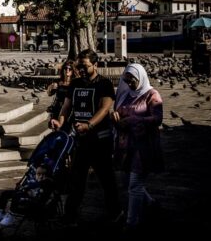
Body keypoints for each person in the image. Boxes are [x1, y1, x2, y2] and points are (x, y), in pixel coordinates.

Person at [51, 49, 121, 226]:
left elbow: (104, 109)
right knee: (76, 179)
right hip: (80, 140)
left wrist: (89, 125)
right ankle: (70, 215)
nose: (81, 69)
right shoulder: (74, 84)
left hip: (100, 140)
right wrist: (60, 122)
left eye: (85, 66)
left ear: (95, 65)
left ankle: (116, 211)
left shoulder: (104, 84)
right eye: (79, 66)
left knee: (106, 179)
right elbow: (66, 107)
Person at [111, 63, 164, 230]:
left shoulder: (152, 95)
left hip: (143, 146)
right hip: (126, 145)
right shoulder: (126, 94)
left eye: (132, 80)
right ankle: (150, 203)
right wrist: (116, 118)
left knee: (134, 184)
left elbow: (157, 118)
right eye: (126, 80)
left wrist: (134, 120)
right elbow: (119, 114)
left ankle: (132, 222)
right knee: (127, 180)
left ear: (140, 78)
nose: (129, 83)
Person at [0, 162, 54, 227]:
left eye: (44, 174)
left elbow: (40, 192)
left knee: (16, 196)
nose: (41, 176)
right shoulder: (34, 180)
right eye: (38, 174)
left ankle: (11, 215)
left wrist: (26, 188)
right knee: (5, 193)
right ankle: (0, 212)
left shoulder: (47, 182)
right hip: (26, 195)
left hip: (34, 203)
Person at [46, 60, 77, 128]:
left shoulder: (75, 83)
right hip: (57, 108)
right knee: (55, 127)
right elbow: (49, 94)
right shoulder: (58, 82)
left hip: (69, 110)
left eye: (70, 69)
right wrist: (49, 88)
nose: (67, 70)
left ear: (73, 70)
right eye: (65, 68)